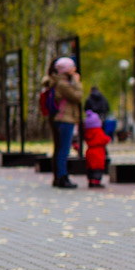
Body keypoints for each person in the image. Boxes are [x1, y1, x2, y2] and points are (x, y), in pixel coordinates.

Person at [49, 57, 83, 189]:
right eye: (72, 67)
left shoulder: (58, 82)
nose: (74, 69)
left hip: (62, 119)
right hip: (65, 119)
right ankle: (62, 176)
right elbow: (77, 97)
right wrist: (77, 82)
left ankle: (60, 176)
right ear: (66, 70)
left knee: (60, 149)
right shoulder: (63, 84)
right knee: (64, 149)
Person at [83, 109, 110, 189]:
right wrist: (108, 138)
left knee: (90, 168)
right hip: (98, 152)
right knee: (97, 168)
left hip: (89, 151)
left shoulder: (87, 132)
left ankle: (90, 181)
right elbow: (103, 139)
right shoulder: (98, 131)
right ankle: (96, 182)